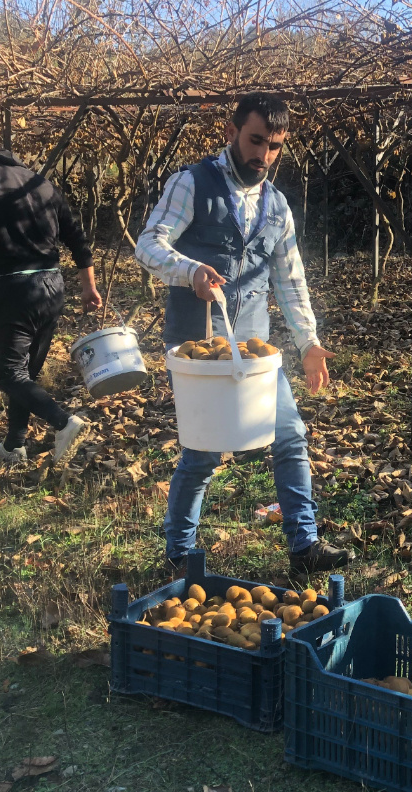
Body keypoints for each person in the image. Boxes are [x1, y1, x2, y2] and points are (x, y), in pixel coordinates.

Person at [135, 93, 352, 576]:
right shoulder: (192, 183)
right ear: (231, 132)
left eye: (274, 146)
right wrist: (188, 270)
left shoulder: (276, 206)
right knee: (204, 449)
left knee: (291, 435)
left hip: (253, 352)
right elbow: (149, 243)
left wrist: (308, 343)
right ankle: (180, 552)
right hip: (200, 349)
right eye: (255, 141)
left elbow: (290, 280)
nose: (263, 155)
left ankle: (305, 546)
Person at [0, 140, 100, 467]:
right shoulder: (41, 183)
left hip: (15, 288)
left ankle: (63, 422)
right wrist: (88, 287)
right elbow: (76, 236)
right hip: (52, 286)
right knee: (25, 372)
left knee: (7, 371)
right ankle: (15, 445)